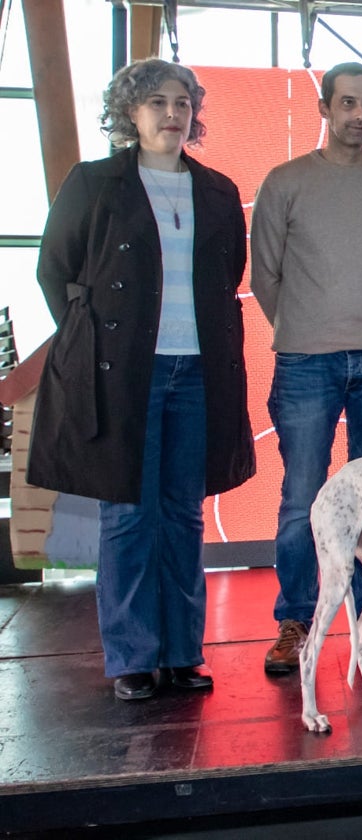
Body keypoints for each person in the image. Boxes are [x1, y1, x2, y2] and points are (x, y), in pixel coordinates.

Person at [28, 59, 255, 700]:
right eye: (156, 102)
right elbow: (57, 271)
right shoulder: (95, 182)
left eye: (181, 102)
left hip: (198, 373)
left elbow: (226, 280)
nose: (171, 113)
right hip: (123, 374)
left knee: (183, 516)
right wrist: (91, 341)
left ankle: (181, 654)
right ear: (130, 112)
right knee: (126, 515)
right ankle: (132, 657)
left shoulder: (214, 190)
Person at [250, 62, 362, 674]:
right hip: (304, 361)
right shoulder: (285, 181)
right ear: (324, 108)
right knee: (303, 495)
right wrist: (307, 328)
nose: (359, 114)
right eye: (347, 103)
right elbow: (264, 277)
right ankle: (296, 620)